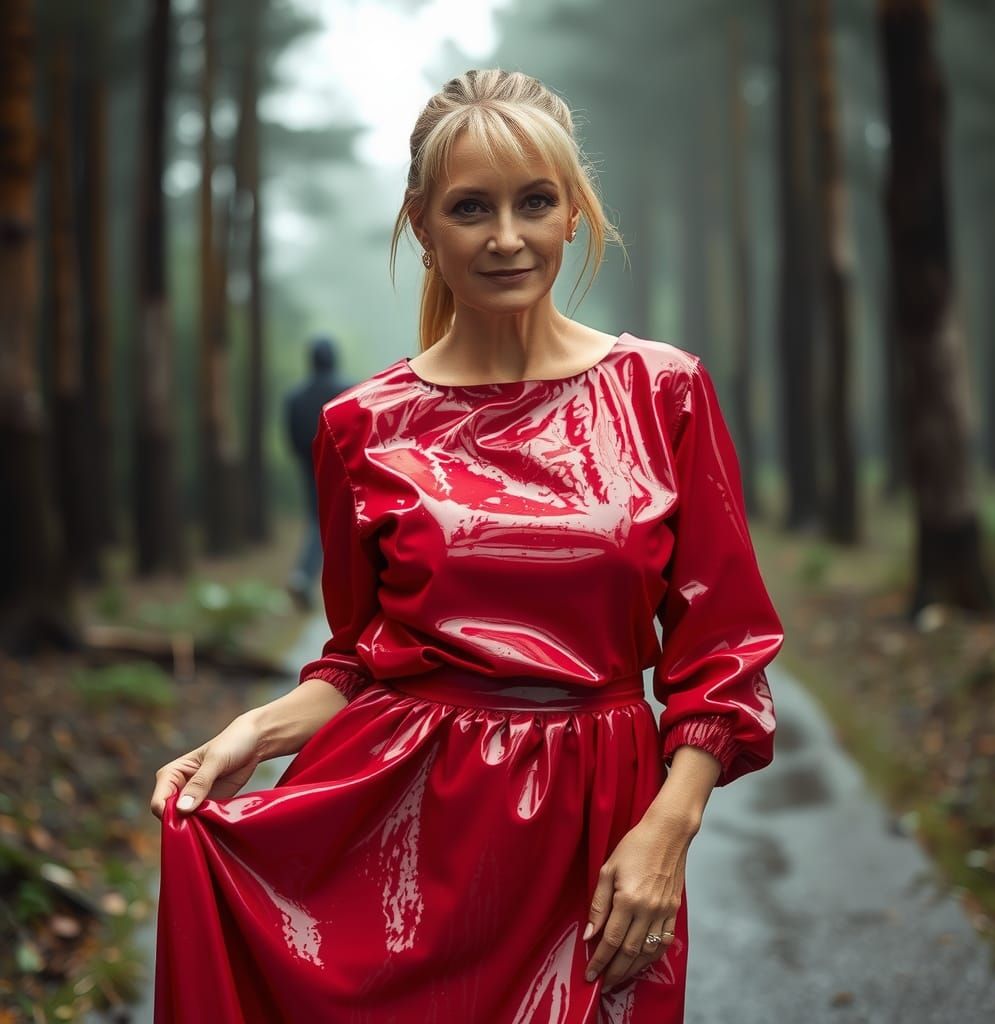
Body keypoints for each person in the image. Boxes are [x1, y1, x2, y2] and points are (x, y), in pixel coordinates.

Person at [150, 68, 784, 1022]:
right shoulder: (360, 427)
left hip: (599, 833)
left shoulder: (665, 394)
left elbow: (723, 656)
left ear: (575, 214)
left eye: (535, 202)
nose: (505, 236)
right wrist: (253, 732)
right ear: (422, 225)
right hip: (408, 838)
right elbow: (361, 658)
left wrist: (671, 826)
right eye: (469, 207)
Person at [282, 335, 352, 609]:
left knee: (317, 520)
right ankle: (332, 583)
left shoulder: (294, 397)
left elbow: (291, 438)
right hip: (344, 467)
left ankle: (305, 577)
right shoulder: (348, 390)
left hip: (309, 465)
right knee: (342, 524)